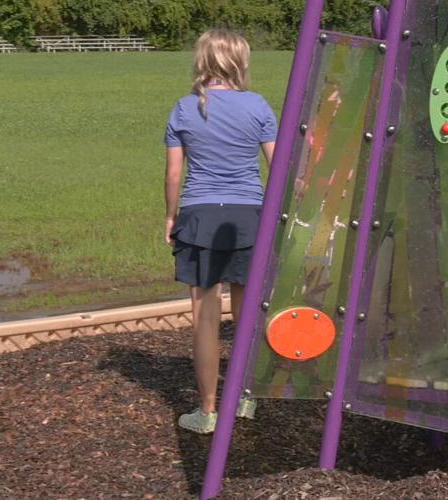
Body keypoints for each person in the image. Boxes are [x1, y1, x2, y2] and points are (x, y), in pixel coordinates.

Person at [163, 29, 277, 434]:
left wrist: (170, 217)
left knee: (205, 320)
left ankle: (207, 412)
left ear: (202, 62)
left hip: (199, 218)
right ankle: (245, 399)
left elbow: (174, 173)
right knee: (246, 315)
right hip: (250, 217)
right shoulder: (258, 106)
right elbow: (278, 168)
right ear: (239, 62)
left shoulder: (184, 108)